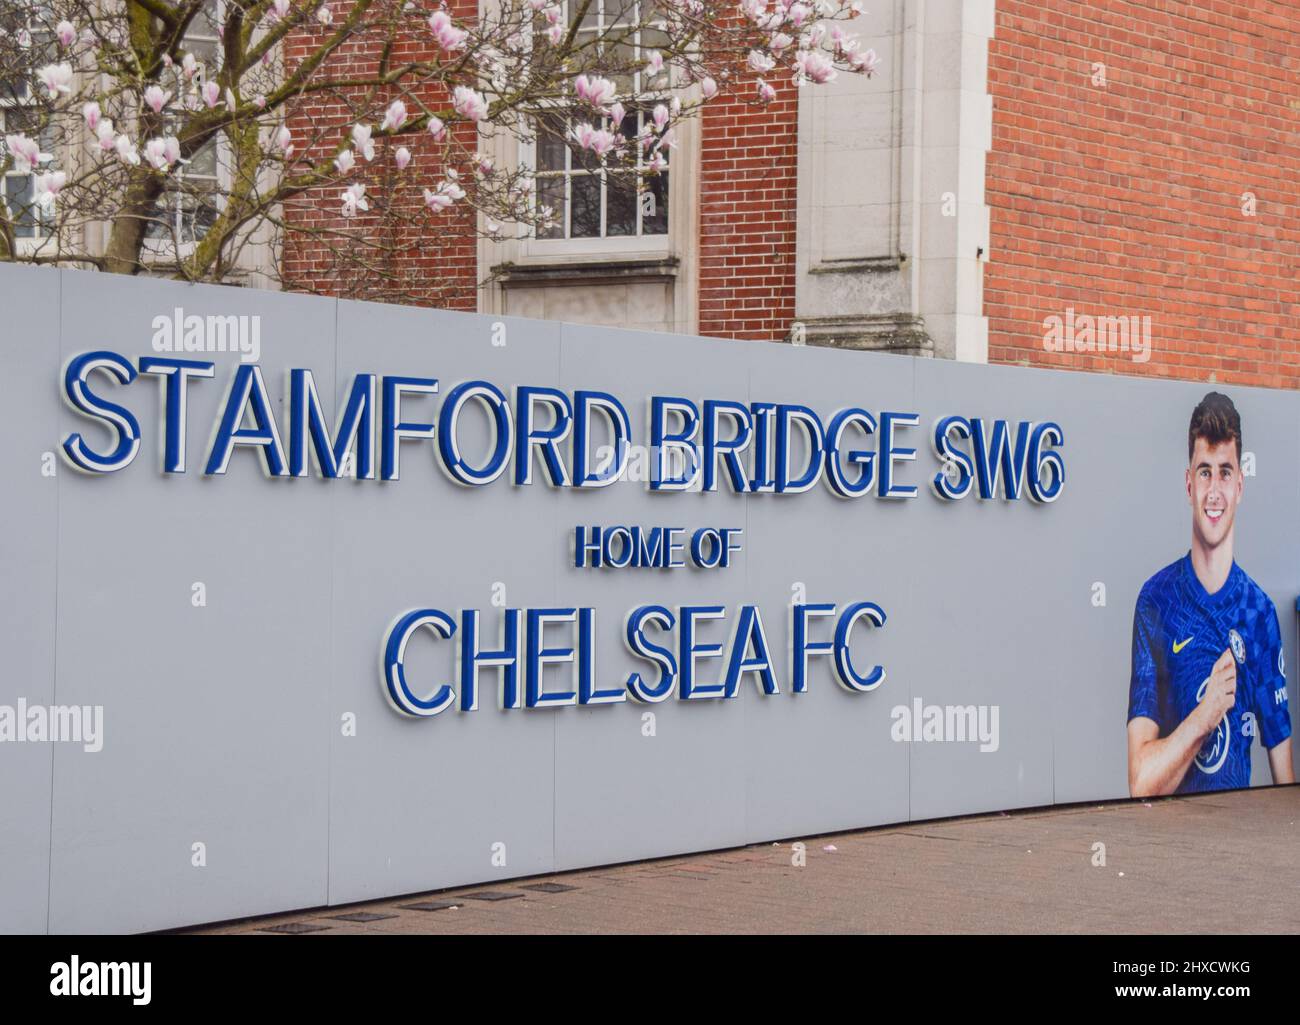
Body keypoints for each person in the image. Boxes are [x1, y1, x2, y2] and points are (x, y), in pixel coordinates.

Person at [1127, 392, 1293, 796]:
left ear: (1240, 485)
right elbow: (1140, 782)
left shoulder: (1259, 614)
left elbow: (1286, 788)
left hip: (1237, 853)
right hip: (1172, 853)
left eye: (1224, 473)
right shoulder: (1157, 601)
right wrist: (1205, 716)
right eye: (1204, 473)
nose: (1214, 491)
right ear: (1189, 484)